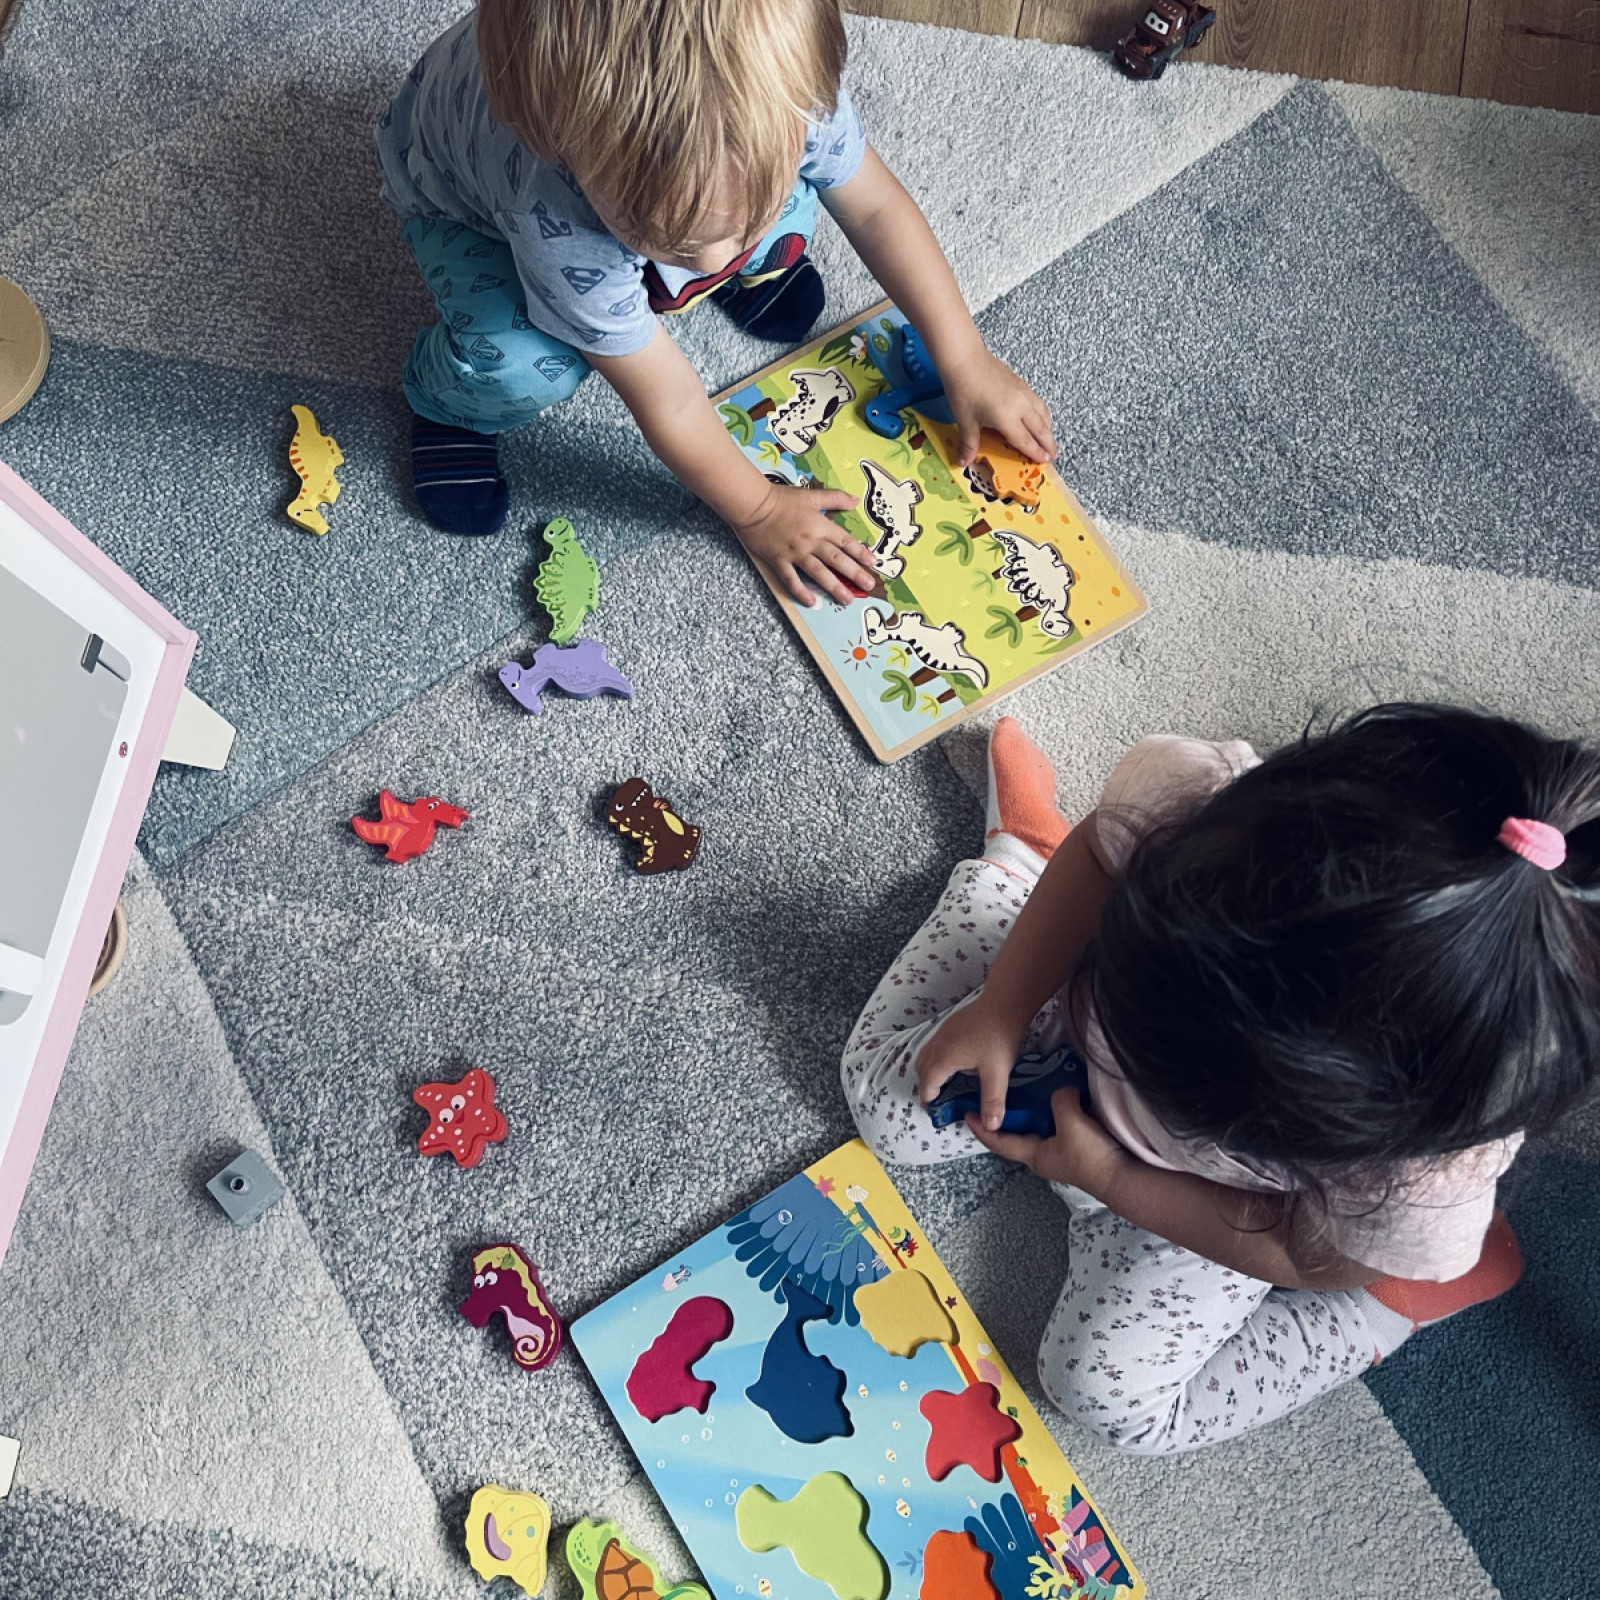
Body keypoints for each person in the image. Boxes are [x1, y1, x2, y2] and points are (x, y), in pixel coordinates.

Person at [843, 708, 1600, 1452]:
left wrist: (1110, 1177)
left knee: (1109, 1401)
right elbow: (1102, 851)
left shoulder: (1425, 1175)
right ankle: (1022, 861)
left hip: (1208, 1212)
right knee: (885, 1105)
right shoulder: (1204, 806)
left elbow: (1306, 1257)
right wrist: (1004, 1007)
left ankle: (1388, 1309)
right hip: (1063, 1025)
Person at [374, 0, 1054, 606]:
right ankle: (450, 405)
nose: (712, 261)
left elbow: (874, 210)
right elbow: (666, 399)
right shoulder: (554, 215)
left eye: (732, 234)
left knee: (787, 219)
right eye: (669, 240)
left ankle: (717, 226)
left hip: (646, 165)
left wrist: (964, 357)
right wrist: (758, 510)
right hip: (467, 213)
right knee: (525, 364)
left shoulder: (787, 90)